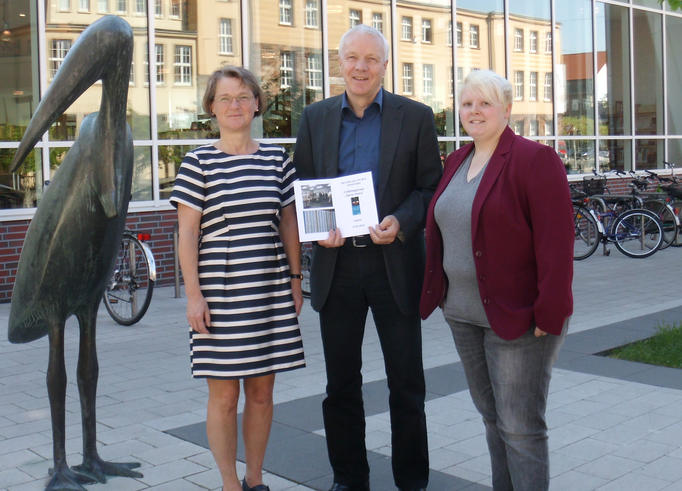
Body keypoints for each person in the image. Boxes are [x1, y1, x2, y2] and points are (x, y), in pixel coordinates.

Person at [293, 24, 442, 491]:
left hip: (393, 264)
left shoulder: (414, 116)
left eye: (371, 59)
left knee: (406, 383)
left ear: (384, 65)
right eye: (352, 58)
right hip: (338, 267)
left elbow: (429, 187)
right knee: (340, 385)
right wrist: (318, 235)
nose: (360, 67)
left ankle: (412, 481)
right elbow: (305, 187)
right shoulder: (315, 118)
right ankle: (349, 479)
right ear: (340, 63)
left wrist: (401, 221)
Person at [420, 69, 573, 491]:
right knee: (492, 419)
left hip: (519, 316)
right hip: (463, 313)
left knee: (520, 426)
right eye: (468, 103)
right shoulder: (456, 161)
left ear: (507, 109)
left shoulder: (534, 159)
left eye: (485, 103)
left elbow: (556, 244)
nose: (475, 111)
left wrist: (551, 311)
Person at [170, 66, 305, 491]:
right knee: (225, 397)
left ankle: (256, 478)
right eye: (226, 98)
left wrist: (296, 279)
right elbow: (187, 233)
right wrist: (193, 296)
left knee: (262, 395)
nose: (236, 105)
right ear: (211, 107)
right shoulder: (198, 161)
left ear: (257, 105)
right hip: (219, 294)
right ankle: (230, 483)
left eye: (244, 96)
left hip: (267, 290)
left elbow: (288, 222)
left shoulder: (276, 159)